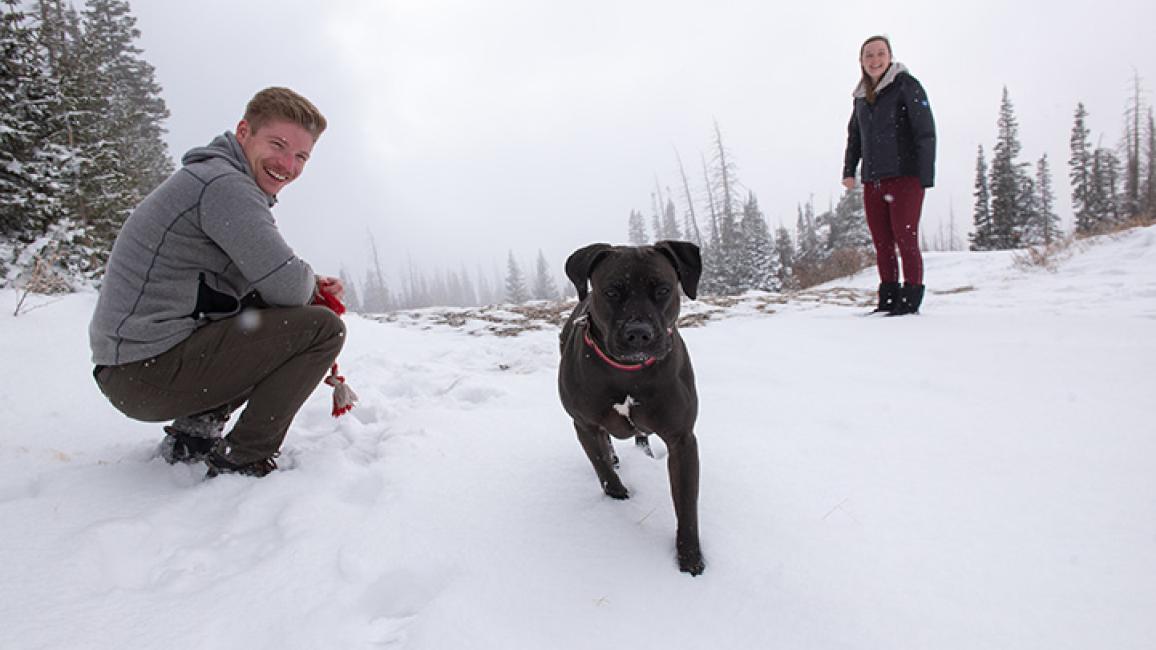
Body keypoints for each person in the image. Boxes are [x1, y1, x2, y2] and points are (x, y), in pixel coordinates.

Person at [89, 87, 346, 478]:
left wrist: (304, 282)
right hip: (143, 373)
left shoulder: (214, 179)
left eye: (301, 156)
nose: (287, 165)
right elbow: (289, 287)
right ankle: (243, 457)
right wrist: (307, 284)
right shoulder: (224, 186)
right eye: (277, 144)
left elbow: (271, 281)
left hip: (133, 368)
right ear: (244, 132)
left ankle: (194, 434)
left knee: (264, 309)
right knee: (321, 329)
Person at [842, 35, 936, 315]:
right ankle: (888, 298)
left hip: (905, 177)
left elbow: (925, 131)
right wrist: (849, 171)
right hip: (874, 179)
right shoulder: (860, 98)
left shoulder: (906, 85)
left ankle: (910, 299)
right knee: (882, 243)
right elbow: (855, 136)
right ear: (861, 61)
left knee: (905, 239)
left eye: (880, 54)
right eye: (869, 55)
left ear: (890, 56)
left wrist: (924, 175)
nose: (875, 60)